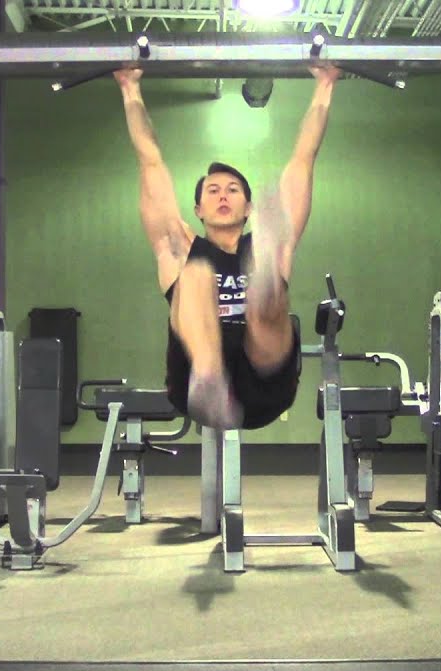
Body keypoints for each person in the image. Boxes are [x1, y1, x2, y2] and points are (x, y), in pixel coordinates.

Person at [114, 65, 342, 431]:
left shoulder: (269, 244)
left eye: (233, 190)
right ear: (198, 210)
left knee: (265, 283)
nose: (223, 195)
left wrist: (325, 84)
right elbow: (150, 160)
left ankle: (264, 291)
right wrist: (129, 89)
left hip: (267, 380)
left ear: (249, 208)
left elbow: (303, 159)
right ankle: (209, 374)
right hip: (196, 380)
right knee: (196, 275)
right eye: (213, 190)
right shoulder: (178, 246)